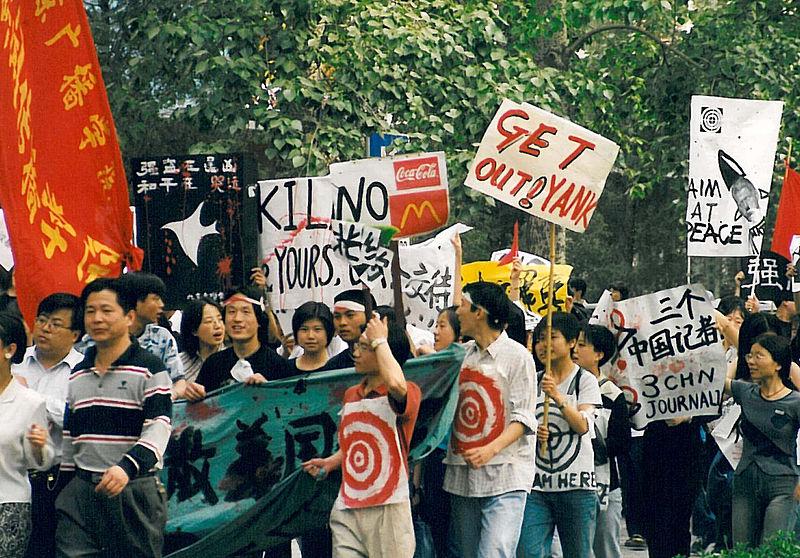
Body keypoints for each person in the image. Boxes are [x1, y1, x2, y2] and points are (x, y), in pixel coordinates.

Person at [56, 278, 172, 557]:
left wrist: (126, 467)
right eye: (90, 311)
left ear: (129, 317)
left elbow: (159, 427)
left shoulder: (150, 369)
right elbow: (72, 438)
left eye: (107, 311)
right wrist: (63, 490)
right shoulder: (77, 374)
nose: (97, 319)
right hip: (82, 493)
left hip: (133, 489)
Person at [302, 315, 420, 557]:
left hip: (389, 505)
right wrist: (332, 461)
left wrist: (380, 341)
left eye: (365, 347)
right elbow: (359, 442)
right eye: (358, 346)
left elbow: (397, 385)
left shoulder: (407, 391)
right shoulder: (351, 394)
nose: (356, 353)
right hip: (349, 504)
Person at [444, 281, 537, 558]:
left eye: (462, 305)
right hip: (463, 473)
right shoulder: (460, 357)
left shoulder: (518, 357)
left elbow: (524, 416)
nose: (457, 312)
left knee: (494, 552)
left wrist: (490, 449)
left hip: (506, 474)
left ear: (479, 312)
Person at [518, 312, 601, 558]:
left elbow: (584, 425)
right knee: (527, 551)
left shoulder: (584, 380)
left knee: (578, 553)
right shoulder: (532, 380)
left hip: (576, 487)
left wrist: (558, 397)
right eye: (540, 339)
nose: (544, 345)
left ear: (572, 342)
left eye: (552, 337)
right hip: (536, 487)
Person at [11, 293, 84, 558]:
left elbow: (79, 418)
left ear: (75, 334)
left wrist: (32, 399)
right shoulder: (14, 362)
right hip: (10, 475)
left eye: (55, 323)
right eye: (41, 320)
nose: (45, 328)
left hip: (58, 480)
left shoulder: (82, 370)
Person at [724, 334, 800, 547]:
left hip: (783, 484)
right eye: (749, 355)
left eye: (759, 356)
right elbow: (714, 379)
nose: (751, 361)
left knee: (771, 548)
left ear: (777, 364)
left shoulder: (795, 402)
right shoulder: (745, 391)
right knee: (741, 548)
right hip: (745, 480)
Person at [573, 323, 630, 558]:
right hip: (569, 483)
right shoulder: (560, 387)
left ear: (599, 355)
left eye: (582, 345)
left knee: (605, 548)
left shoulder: (612, 394)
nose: (574, 349)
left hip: (605, 482)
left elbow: (621, 442)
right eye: (574, 343)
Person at [0, 313, 54, 558]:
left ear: (9, 349)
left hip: (8, 504)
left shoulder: (30, 402)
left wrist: (39, 446)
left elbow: (39, 462)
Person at [191, 286, 290, 399]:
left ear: (258, 320)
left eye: (245, 311)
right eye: (232, 311)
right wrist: (193, 394)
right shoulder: (213, 364)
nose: (237, 318)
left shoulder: (278, 365)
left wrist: (269, 391)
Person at [117, 272, 185, 398]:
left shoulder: (162, 337)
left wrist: (167, 398)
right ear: (136, 301)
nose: (161, 305)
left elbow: (179, 382)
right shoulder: (103, 339)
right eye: (155, 298)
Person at [178, 298, 225, 396]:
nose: (217, 326)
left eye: (220, 319)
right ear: (194, 330)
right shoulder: (178, 363)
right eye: (209, 321)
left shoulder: (232, 357)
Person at [322, 289, 376, 371]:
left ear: (372, 317)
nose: (342, 323)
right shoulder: (333, 366)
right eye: (337, 317)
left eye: (350, 315)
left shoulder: (387, 357)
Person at [288, 301, 336, 375]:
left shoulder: (338, 368)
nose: (310, 336)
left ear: (328, 332)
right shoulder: (285, 369)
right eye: (304, 329)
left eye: (317, 329)